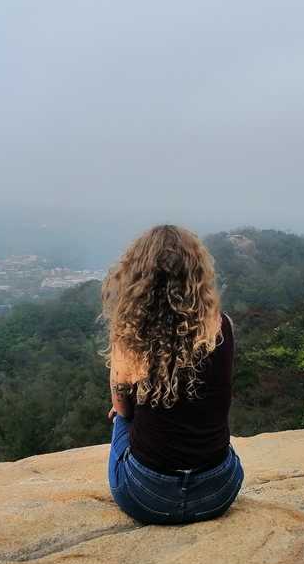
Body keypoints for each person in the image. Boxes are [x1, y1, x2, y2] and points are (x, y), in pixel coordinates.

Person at [101, 224, 244, 525]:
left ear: (138, 277)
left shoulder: (131, 334)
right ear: (197, 274)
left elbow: (124, 407)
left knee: (121, 415)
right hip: (218, 490)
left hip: (146, 496)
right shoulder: (222, 326)